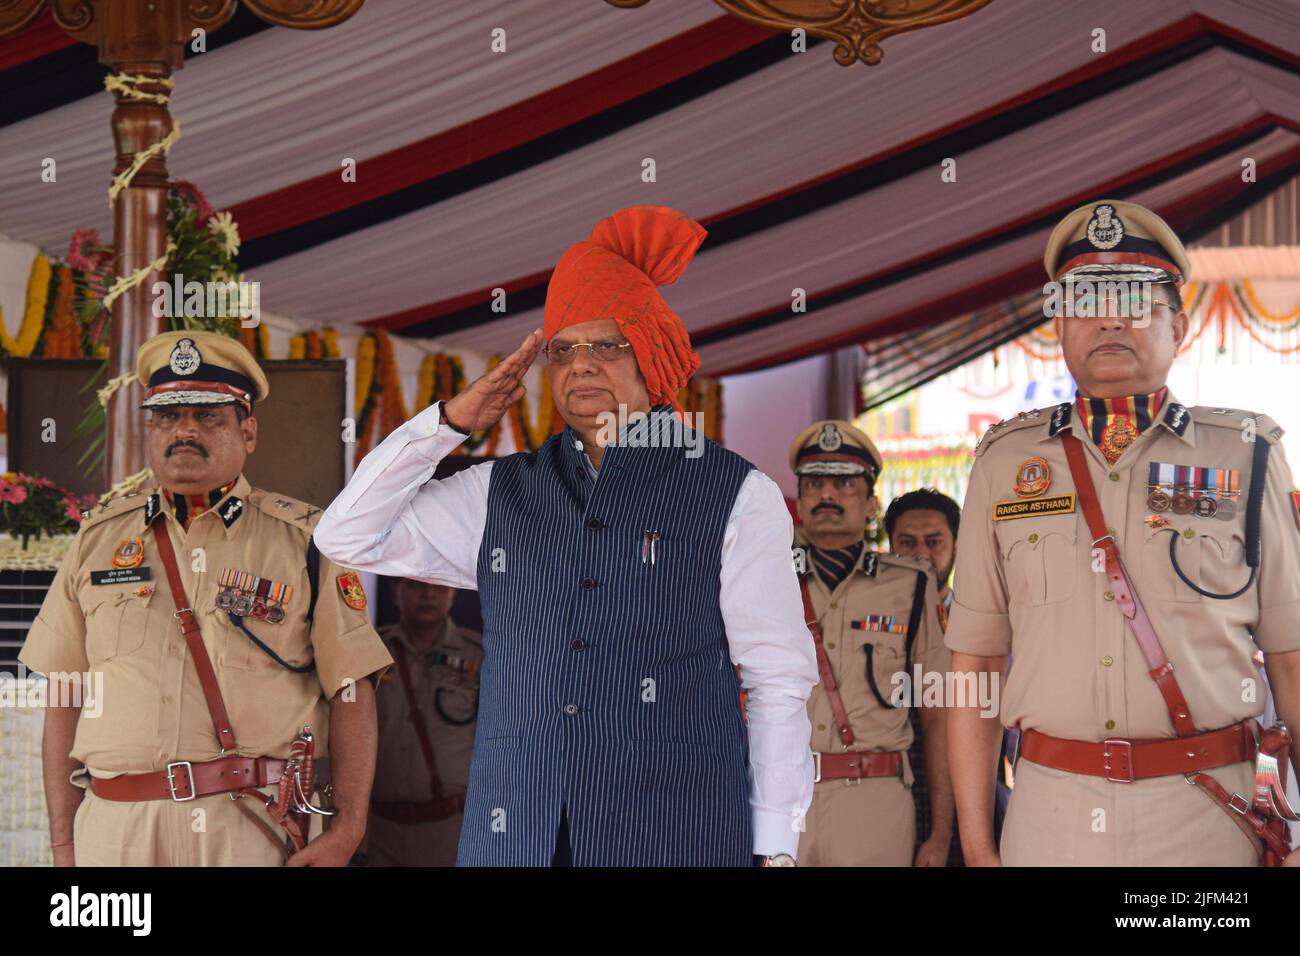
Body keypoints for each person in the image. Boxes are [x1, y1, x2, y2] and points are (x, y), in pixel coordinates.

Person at [314, 205, 818, 867]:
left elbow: (777, 681)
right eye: (562, 349)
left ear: (651, 356)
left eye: (606, 344)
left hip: (674, 835)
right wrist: (446, 424)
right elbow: (346, 534)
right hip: (515, 835)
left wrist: (775, 847)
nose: (580, 364)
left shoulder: (735, 495)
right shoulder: (498, 490)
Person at [946, 199, 1300, 866]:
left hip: (1209, 819)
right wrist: (977, 845)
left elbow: (1291, 656)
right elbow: (975, 667)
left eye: (1135, 300)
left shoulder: (1245, 454)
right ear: (1059, 324)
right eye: (1086, 300)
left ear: (1179, 325)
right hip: (1051, 816)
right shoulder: (1004, 464)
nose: (1110, 318)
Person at [20, 330, 392, 867]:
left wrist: (350, 826)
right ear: (150, 429)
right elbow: (64, 696)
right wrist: (63, 844)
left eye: (208, 416)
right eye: (167, 417)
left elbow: (352, 690)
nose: (184, 431)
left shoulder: (308, 540)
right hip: (115, 828)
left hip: (249, 824)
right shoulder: (97, 539)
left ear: (249, 432)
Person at [790, 421, 953, 866]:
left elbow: (937, 717)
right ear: (800, 500)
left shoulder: (911, 586)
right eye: (814, 483)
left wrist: (940, 834)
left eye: (844, 483)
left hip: (875, 799)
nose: (827, 495)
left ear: (870, 503)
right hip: (781, 796)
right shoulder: (764, 580)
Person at [368, 579, 481, 866]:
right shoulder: (370, 653)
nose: (429, 594)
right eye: (417, 586)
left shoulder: (479, 655)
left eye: (441, 587)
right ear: (396, 592)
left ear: (454, 594)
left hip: (450, 829)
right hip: (377, 831)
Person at [885, 487, 968, 866]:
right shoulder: (874, 625)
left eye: (934, 542)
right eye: (906, 542)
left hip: (974, 796)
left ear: (957, 545)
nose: (921, 555)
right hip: (895, 795)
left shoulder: (986, 622)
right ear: (888, 547)